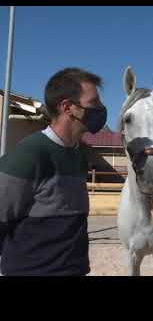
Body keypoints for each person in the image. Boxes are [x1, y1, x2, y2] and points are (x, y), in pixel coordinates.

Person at [0, 67, 107, 276]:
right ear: (68, 107)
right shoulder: (28, 156)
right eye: (94, 103)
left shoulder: (77, 153)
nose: (101, 109)